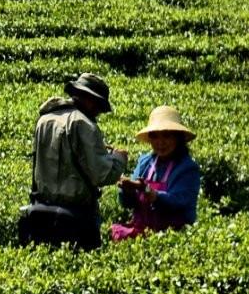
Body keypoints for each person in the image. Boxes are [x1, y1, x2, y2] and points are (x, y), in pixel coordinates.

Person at [22, 72, 128, 249]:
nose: (98, 112)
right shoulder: (84, 124)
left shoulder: (45, 119)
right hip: (75, 215)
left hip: (42, 210)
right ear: (91, 100)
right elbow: (102, 175)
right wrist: (119, 159)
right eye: (99, 106)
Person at [112, 106, 201, 241]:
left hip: (173, 236)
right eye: (155, 136)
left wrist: (153, 194)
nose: (160, 142)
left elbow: (179, 202)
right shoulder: (145, 162)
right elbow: (129, 204)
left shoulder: (188, 168)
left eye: (166, 135)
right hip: (141, 232)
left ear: (178, 138)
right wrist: (127, 190)